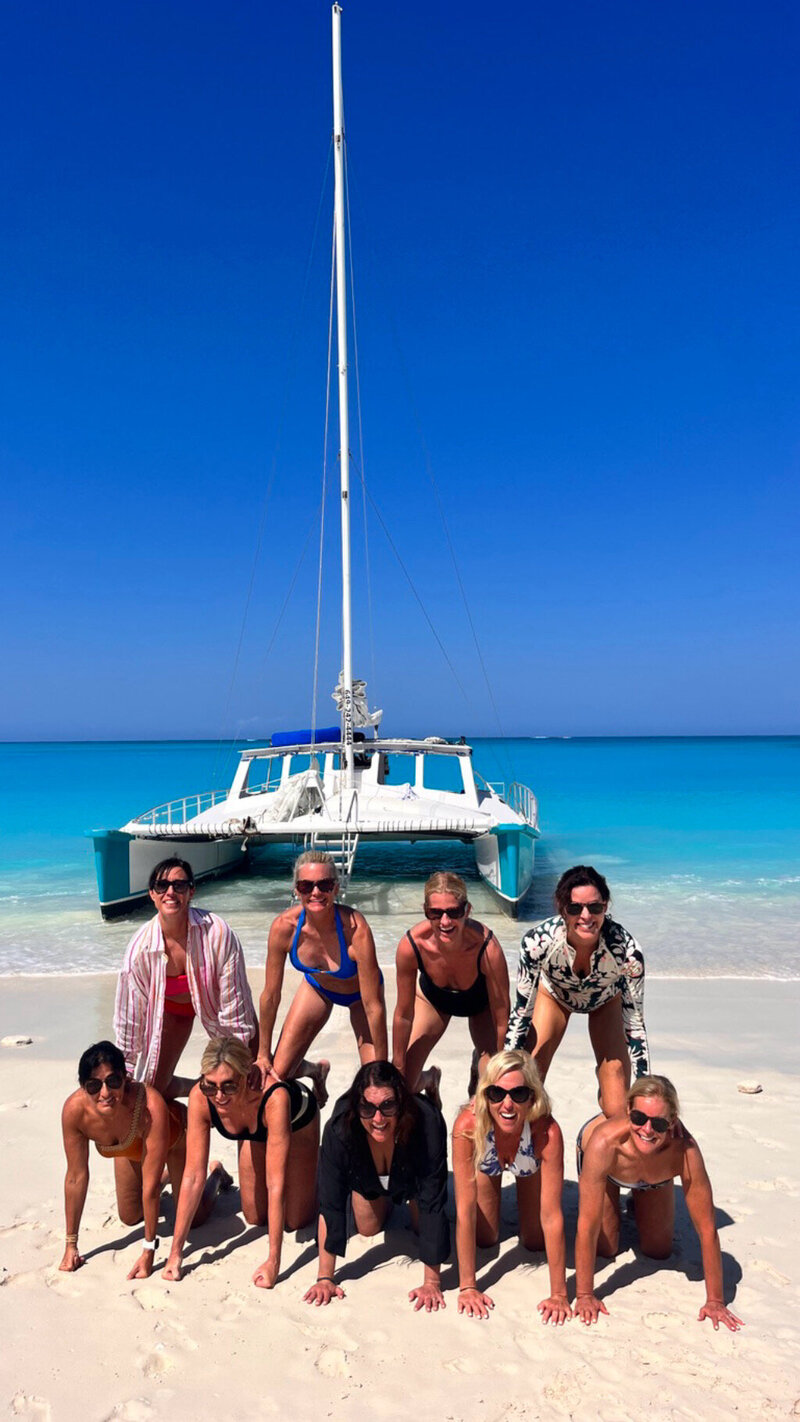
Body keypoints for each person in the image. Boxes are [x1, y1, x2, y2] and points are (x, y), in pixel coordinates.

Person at [574, 1074, 744, 1331]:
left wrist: (715, 1300)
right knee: (606, 1246)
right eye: (639, 1118)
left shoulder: (685, 1151)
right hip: (609, 1169)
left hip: (655, 1173)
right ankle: (622, 1197)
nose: (647, 1129)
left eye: (659, 1124)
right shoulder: (605, 1143)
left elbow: (707, 1228)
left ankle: (637, 1200)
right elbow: (587, 1224)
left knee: (658, 1250)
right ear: (628, 1110)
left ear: (673, 1121)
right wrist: (585, 1295)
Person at [60, 1041, 228, 1279]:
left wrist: (148, 1250)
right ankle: (167, 1174)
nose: (105, 1093)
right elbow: (76, 1177)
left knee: (196, 1219)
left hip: (175, 1138)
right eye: (94, 1085)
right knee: (130, 1216)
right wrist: (70, 1245)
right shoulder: (74, 1112)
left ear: (126, 1078)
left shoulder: (149, 1105)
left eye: (113, 1082)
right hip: (130, 1150)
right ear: (82, 1087)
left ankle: (217, 1176)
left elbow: (150, 1188)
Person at [163, 1036, 319, 1288]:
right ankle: (219, 1173)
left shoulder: (274, 1098)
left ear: (246, 1078)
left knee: (297, 1220)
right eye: (210, 1085)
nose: (219, 1096)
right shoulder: (201, 1097)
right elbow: (192, 1176)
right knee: (255, 1216)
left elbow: (275, 1183)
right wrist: (175, 1254)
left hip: (296, 1121)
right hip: (250, 1128)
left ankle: (310, 1070)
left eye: (229, 1086)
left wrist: (273, 1261)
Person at [304, 1061, 449, 1312]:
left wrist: (432, 1282)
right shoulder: (340, 1129)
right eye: (367, 1108)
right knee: (368, 1228)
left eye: (388, 1105)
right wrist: (325, 1278)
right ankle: (387, 1197)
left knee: (421, 1227)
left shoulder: (427, 1123)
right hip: (366, 1174)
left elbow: (433, 1201)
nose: (378, 1118)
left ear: (401, 1102)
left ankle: (429, 1082)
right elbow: (331, 1202)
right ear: (357, 1106)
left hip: (410, 1171)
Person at [505, 865, 648, 1117]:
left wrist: (646, 1091)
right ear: (562, 909)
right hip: (555, 997)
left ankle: (604, 1073)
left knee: (617, 1110)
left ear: (605, 906)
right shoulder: (537, 943)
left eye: (595, 907)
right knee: (528, 1083)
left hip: (606, 1001)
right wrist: (503, 1074)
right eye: (575, 908)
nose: (586, 916)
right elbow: (521, 1013)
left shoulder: (627, 952)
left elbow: (634, 1023)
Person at [114, 858, 257, 1098]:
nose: (170, 892)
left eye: (179, 885)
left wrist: (238, 1062)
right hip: (174, 1010)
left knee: (248, 1086)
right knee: (152, 1090)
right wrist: (124, 1071)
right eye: (162, 886)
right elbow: (130, 1018)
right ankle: (201, 1091)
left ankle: (310, 1069)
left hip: (223, 1008)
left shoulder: (217, 932)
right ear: (152, 894)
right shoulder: (140, 950)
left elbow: (235, 1006)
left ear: (191, 891)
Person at [256, 852, 386, 1099]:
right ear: (297, 890)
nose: (315, 893)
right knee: (277, 1076)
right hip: (318, 988)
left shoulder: (355, 929)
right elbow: (270, 996)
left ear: (335, 888)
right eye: (306, 886)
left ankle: (425, 1078)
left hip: (360, 997)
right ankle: (316, 1070)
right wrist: (263, 1054)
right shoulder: (284, 928)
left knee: (375, 1083)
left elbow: (373, 1006)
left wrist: (383, 1065)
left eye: (324, 885)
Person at [452, 1049, 569, 1322]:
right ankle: (478, 1075)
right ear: (486, 1095)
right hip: (488, 1148)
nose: (507, 1104)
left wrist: (559, 1294)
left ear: (532, 1096)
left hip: (527, 1158)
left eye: (518, 1094)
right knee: (486, 1237)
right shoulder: (467, 1126)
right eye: (496, 1093)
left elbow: (552, 1216)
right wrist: (468, 1286)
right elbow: (464, 1209)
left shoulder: (547, 1131)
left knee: (535, 1242)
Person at [392, 872, 509, 1103]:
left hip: (480, 1005)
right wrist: (397, 1066)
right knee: (405, 1086)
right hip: (434, 1000)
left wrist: (496, 1063)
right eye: (436, 913)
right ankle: (430, 1079)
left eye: (453, 912)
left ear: (467, 910)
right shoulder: (412, 945)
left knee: (487, 1092)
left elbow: (501, 1016)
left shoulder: (487, 948)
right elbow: (403, 1015)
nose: (445, 922)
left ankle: (478, 1061)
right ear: (426, 911)